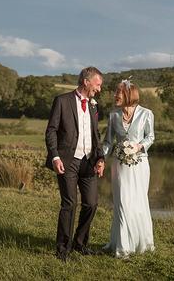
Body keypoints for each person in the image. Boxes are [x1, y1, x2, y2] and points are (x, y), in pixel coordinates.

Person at [45, 66, 105, 262]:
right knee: (69, 204)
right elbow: (51, 131)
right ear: (86, 82)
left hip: (89, 161)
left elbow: (96, 135)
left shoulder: (94, 105)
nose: (99, 89)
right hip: (67, 160)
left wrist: (101, 158)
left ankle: (80, 243)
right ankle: (63, 249)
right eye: (97, 84)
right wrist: (54, 157)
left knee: (91, 203)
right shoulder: (62, 101)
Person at [102, 79, 155, 258]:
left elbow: (151, 137)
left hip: (140, 165)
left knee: (138, 202)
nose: (115, 95)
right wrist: (101, 158)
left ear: (128, 95)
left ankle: (142, 242)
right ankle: (122, 246)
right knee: (123, 202)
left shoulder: (147, 114)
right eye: (115, 92)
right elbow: (108, 142)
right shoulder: (113, 115)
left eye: (118, 92)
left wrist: (138, 147)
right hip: (119, 166)